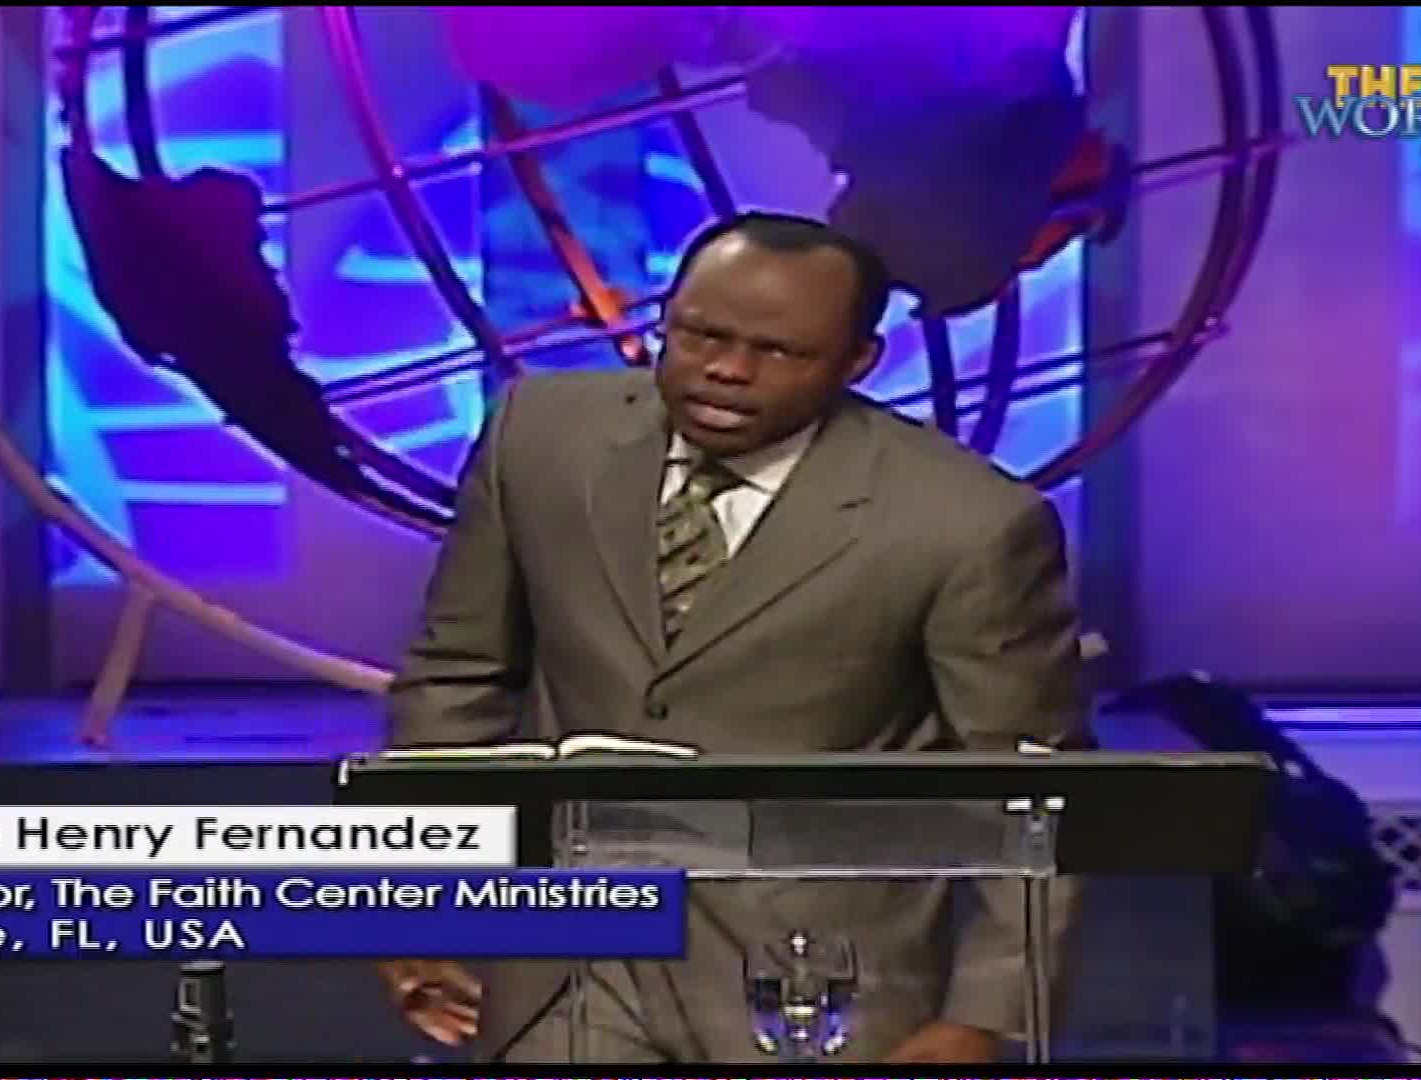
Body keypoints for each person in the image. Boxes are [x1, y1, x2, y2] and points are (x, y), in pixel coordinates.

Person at [377, 211, 1090, 1063]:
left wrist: (984, 1014)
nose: (725, 369)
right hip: (562, 972)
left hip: (811, 981)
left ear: (859, 362)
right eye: (700, 334)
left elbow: (1032, 787)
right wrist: (413, 902)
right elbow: (458, 682)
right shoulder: (536, 438)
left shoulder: (968, 524)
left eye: (779, 352)